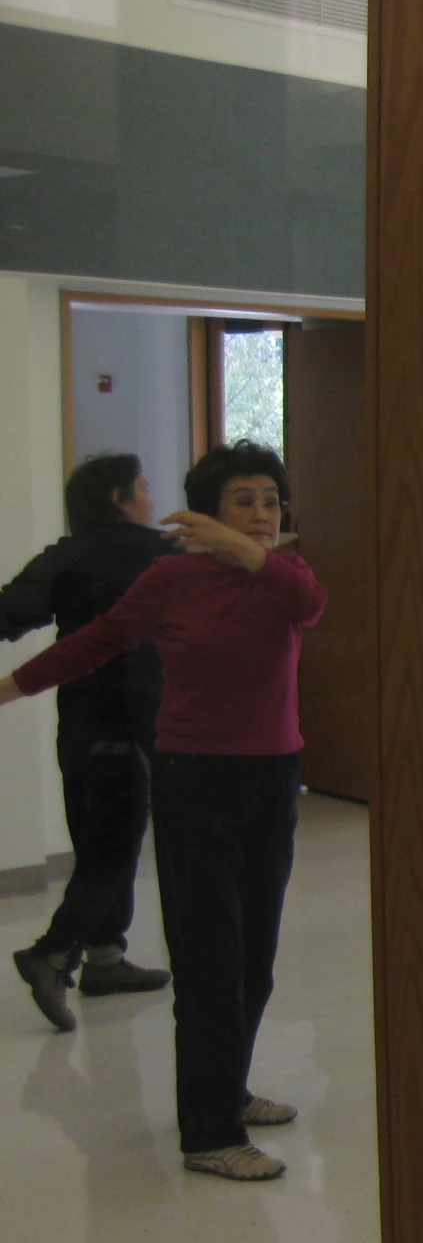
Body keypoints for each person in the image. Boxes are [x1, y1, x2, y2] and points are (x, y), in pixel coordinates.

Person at [1, 442, 327, 1182]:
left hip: (274, 780)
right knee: (210, 959)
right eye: (243, 500)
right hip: (195, 780)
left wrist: (247, 552)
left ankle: (228, 1090)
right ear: (209, 511)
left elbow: (309, 606)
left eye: (271, 500)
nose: (262, 513)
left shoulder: (286, 577)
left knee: (255, 959)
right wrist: (8, 688)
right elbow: (96, 642)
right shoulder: (172, 578)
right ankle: (208, 1133)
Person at [3, 454, 177, 1030]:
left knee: (96, 831)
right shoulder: (160, 554)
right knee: (115, 844)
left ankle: (106, 959)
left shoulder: (65, 554)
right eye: (144, 489)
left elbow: (9, 611)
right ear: (119, 499)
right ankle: (51, 955)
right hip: (132, 717)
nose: (151, 499)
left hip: (77, 714)